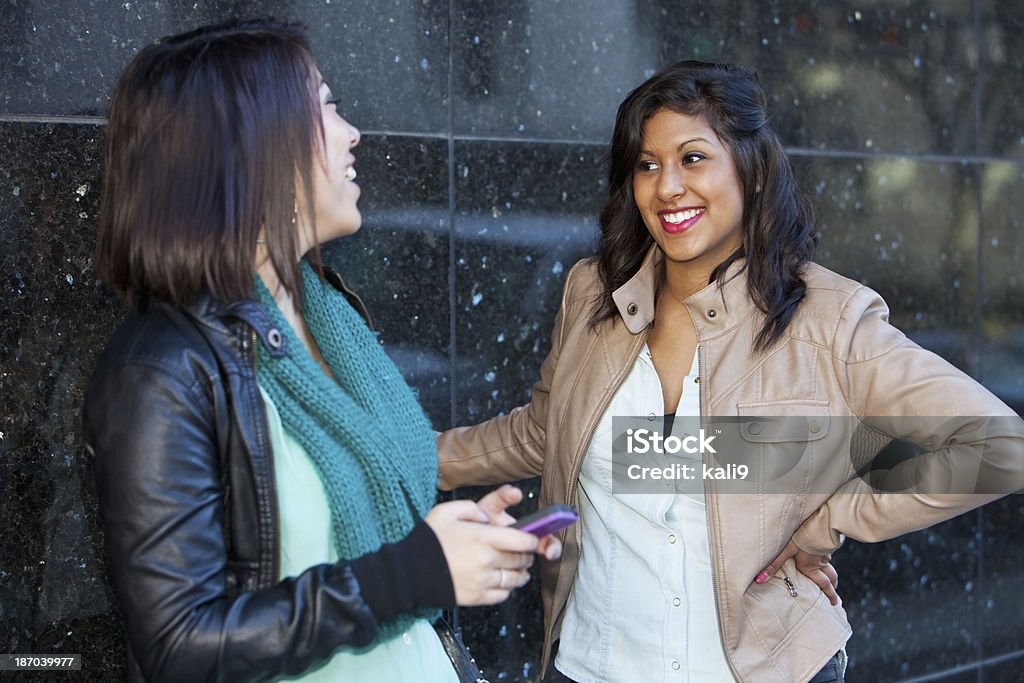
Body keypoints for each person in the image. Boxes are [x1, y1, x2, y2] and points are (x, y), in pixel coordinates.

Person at [436, 60, 1024, 682]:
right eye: (647, 164)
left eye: (693, 158)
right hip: (589, 665)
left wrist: (828, 520)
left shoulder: (828, 319)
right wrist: (405, 461)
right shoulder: (593, 297)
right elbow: (541, 431)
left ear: (750, 169)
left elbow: (996, 446)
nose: (666, 187)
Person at [83, 19, 559, 683]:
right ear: (256, 148)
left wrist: (452, 542)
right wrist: (412, 570)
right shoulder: (163, 369)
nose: (352, 132)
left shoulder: (328, 316)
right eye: (328, 106)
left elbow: (342, 538)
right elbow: (180, 645)